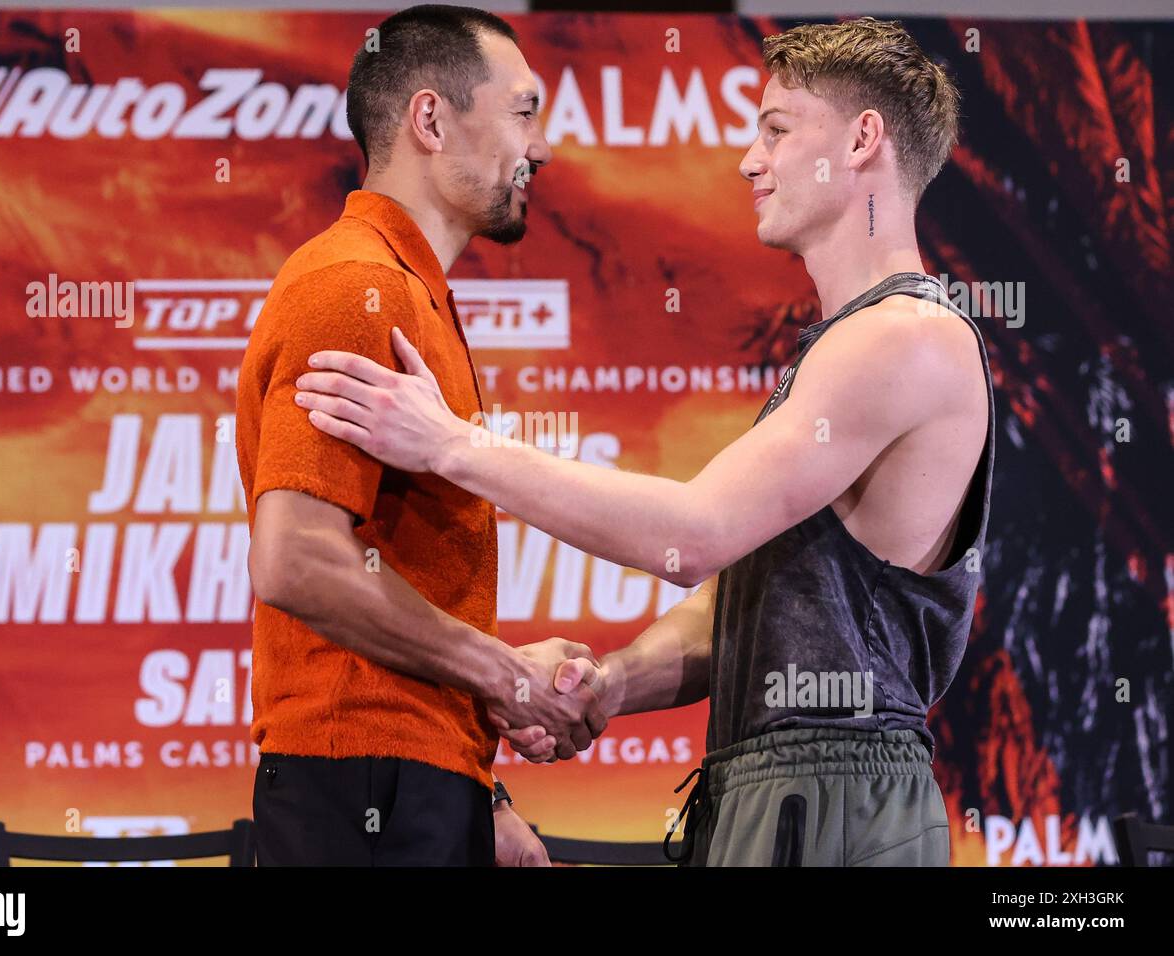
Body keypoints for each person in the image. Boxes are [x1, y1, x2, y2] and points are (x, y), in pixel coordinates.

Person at [294, 17, 995, 867]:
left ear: (862, 140)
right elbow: (746, 598)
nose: (749, 159)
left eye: (776, 130)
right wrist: (612, 685)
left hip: (840, 795)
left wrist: (452, 446)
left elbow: (693, 536)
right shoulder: (845, 345)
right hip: (769, 785)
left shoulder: (906, 337)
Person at [236, 4, 604, 867]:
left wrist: (485, 791)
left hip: (413, 779)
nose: (541, 147)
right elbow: (296, 559)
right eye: (523, 112)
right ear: (431, 119)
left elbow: (401, 573)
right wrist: (504, 676)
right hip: (361, 782)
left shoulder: (408, 290)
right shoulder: (357, 284)